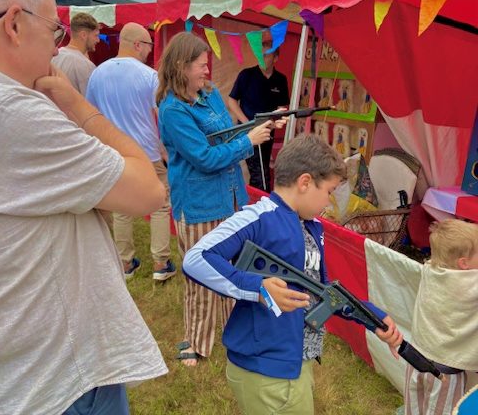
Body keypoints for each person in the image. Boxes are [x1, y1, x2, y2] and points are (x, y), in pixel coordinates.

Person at [0, 0, 168, 415]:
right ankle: (154, 261)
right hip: (57, 380)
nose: (56, 46)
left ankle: (137, 260)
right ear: (14, 24)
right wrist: (75, 104)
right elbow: (148, 192)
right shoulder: (14, 109)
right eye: (53, 30)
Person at [183, 134, 403, 414]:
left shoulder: (312, 226)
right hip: (265, 370)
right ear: (305, 182)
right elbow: (196, 258)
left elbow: (322, 292)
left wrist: (372, 318)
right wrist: (257, 287)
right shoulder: (257, 217)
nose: (329, 202)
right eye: (329, 191)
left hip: (295, 363)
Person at [157, 31, 283, 366]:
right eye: (200, 65)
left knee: (231, 270)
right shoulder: (172, 110)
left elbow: (228, 133)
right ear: (181, 66)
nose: (206, 71)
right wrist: (249, 143)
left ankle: (233, 332)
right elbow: (205, 158)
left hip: (229, 197)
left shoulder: (210, 94)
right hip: (199, 204)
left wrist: (266, 123)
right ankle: (196, 343)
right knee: (201, 274)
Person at [86, 22, 175, 281]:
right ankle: (160, 263)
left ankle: (125, 264)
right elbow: (162, 116)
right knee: (160, 204)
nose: (150, 50)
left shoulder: (98, 73)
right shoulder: (149, 76)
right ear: (137, 45)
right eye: (148, 45)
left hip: (114, 151)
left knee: (121, 207)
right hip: (147, 151)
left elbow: (93, 114)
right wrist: (166, 148)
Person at [404, 218, 478, 415]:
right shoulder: (471, 283)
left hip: (415, 360)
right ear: (463, 263)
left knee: (414, 410)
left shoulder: (431, 270)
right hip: (445, 373)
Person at [228, 38, 289, 191]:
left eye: (266, 55)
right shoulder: (246, 75)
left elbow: (282, 107)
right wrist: (246, 122)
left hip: (268, 131)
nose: (262, 58)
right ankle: (260, 200)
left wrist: (275, 122)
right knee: (259, 173)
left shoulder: (280, 80)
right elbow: (232, 100)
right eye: (259, 55)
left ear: (275, 58)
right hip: (247, 132)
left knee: (263, 168)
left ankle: (258, 200)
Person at [53, 12, 100, 95]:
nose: (98, 40)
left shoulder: (53, 56)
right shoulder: (86, 66)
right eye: (96, 35)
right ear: (83, 35)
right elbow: (90, 101)